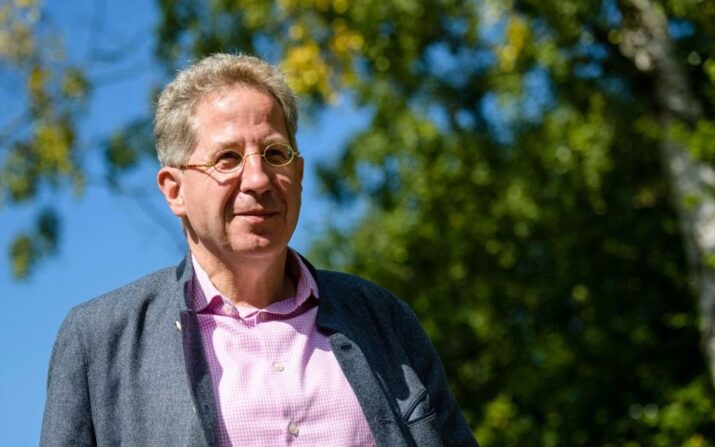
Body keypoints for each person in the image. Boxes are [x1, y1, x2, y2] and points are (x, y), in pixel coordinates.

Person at [40, 53, 478, 446]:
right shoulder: (100, 341)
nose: (258, 179)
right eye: (227, 158)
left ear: (299, 173)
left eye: (274, 153)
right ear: (174, 191)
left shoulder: (381, 318)